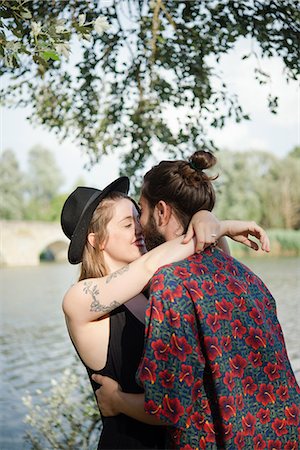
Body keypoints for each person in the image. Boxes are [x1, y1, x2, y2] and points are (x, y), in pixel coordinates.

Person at [93, 152, 300, 449]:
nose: (140, 222)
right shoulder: (246, 276)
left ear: (161, 212)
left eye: (142, 210)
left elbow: (168, 406)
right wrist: (212, 220)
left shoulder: (171, 284)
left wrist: (117, 400)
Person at [61, 175, 270, 449]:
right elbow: (151, 264)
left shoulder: (157, 285)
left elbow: (213, 264)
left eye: (139, 216)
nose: (140, 227)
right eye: (127, 224)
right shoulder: (80, 298)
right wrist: (224, 226)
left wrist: (207, 217)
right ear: (97, 239)